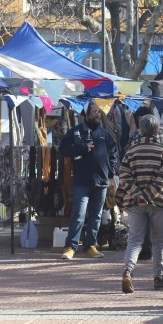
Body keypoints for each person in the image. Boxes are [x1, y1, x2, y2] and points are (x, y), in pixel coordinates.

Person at [116, 115, 163, 293]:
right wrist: (148, 196)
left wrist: (138, 195)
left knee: (135, 240)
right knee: (159, 241)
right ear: (157, 131)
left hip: (135, 203)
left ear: (140, 130)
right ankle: (159, 277)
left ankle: (128, 270)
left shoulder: (131, 151)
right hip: (159, 201)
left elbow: (124, 176)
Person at [59, 103, 118, 260]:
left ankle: (90, 246)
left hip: (101, 180)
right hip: (82, 181)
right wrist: (82, 148)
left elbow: (114, 152)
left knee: (96, 215)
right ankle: (70, 246)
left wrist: (111, 170)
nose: (98, 114)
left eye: (99, 111)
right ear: (86, 115)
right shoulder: (76, 132)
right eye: (94, 112)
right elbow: (63, 149)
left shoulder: (104, 133)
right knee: (78, 214)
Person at [130, 105, 163, 260]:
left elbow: (127, 166)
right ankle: (159, 275)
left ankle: (139, 255)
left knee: (138, 232)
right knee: (160, 237)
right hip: (161, 186)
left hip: (141, 186)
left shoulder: (136, 139)